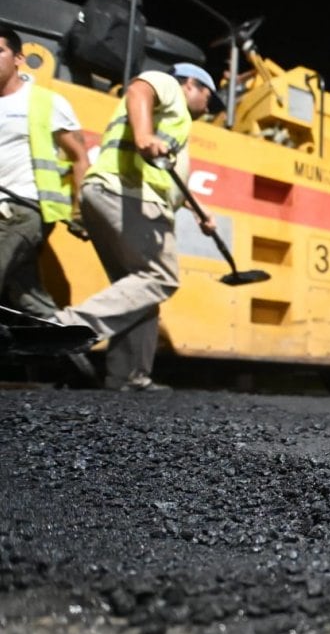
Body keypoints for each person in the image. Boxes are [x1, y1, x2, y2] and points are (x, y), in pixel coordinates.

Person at [54, 61, 220, 392]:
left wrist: (198, 211)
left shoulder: (175, 124)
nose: (208, 107)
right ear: (191, 84)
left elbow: (172, 183)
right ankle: (64, 330)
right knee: (161, 276)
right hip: (127, 193)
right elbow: (140, 88)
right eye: (209, 97)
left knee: (140, 292)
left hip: (111, 192)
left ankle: (129, 377)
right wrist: (144, 135)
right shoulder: (167, 85)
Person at [0, 24, 89, 321]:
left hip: (25, 209)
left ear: (18, 58)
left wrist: (81, 213)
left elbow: (79, 157)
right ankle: (71, 350)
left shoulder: (44, 101)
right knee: (25, 296)